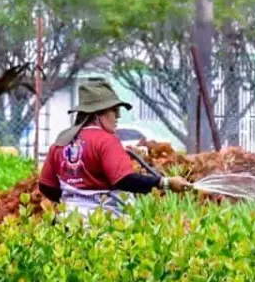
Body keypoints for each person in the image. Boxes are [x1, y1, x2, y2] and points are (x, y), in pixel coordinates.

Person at [38, 79, 191, 218]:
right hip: (103, 225)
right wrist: (165, 183)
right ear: (98, 113)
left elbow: (46, 186)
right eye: (114, 110)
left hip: (68, 221)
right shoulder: (106, 141)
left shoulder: (60, 143)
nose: (118, 116)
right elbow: (124, 180)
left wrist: (74, 201)